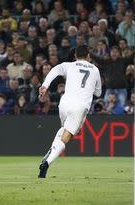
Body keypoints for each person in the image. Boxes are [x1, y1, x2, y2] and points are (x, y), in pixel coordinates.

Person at [38, 45, 102, 178]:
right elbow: (98, 92)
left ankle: (48, 155)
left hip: (64, 104)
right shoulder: (95, 70)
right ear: (89, 56)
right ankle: (47, 162)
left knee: (63, 130)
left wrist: (45, 85)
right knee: (67, 137)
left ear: (75, 56)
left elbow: (54, 70)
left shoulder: (69, 65)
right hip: (79, 107)